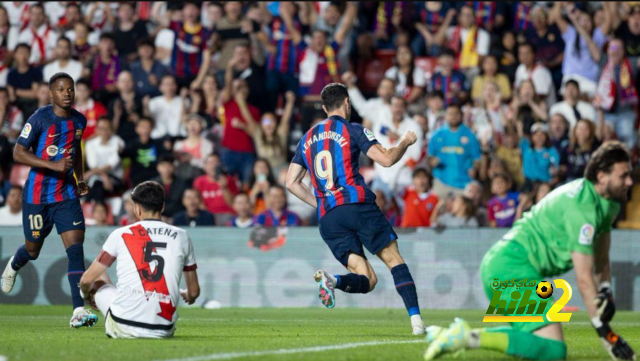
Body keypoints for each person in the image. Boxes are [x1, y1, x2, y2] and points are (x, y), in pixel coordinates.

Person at [424, 141, 636, 361]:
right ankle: (467, 336)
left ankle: (446, 334)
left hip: (515, 265)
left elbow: (601, 250)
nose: (630, 181)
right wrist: (607, 335)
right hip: (512, 267)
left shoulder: (609, 203)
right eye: (623, 175)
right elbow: (583, 279)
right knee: (553, 350)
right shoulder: (582, 209)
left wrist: (605, 288)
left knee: (536, 346)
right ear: (601, 176)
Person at [286, 83, 428, 336]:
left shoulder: (307, 138)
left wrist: (320, 203)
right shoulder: (352, 129)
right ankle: (417, 322)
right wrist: (406, 141)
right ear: (347, 103)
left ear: (324, 106)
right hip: (357, 206)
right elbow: (386, 160)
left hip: (329, 219)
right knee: (393, 260)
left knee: (368, 280)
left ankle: (333, 280)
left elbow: (291, 182)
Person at [1, 72, 96, 328]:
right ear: (52, 93)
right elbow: (18, 152)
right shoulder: (40, 118)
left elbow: (75, 152)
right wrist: (52, 165)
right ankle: (14, 263)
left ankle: (78, 310)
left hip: (66, 195)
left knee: (76, 251)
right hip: (37, 196)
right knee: (33, 250)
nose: (67, 93)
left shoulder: (79, 120)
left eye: (70, 89)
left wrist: (79, 178)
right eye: (62, 89)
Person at [79, 181, 200, 339]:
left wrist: (86, 295)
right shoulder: (182, 236)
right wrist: (189, 295)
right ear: (162, 207)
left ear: (136, 208)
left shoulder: (121, 234)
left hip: (122, 325)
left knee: (98, 276)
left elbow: (86, 280)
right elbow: (195, 292)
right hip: (164, 330)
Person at [428, 103, 481, 198]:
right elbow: (429, 157)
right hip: (441, 182)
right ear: (445, 115)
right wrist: (432, 162)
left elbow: (477, 158)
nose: (453, 116)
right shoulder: (437, 135)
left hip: (463, 183)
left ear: (461, 115)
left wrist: (475, 169)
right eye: (450, 113)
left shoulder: (470, 135)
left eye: (456, 113)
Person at [594, 38, 638, 150]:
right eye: (613, 47)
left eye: (619, 48)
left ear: (623, 51)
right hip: (605, 112)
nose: (615, 50)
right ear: (608, 50)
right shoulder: (602, 62)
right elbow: (589, 43)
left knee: (629, 141)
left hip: (626, 112)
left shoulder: (631, 63)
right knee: (603, 139)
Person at [84, 117, 124, 203]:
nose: (105, 131)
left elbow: (111, 165)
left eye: (107, 128)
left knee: (97, 184)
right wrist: (104, 176)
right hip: (97, 177)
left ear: (111, 129)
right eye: (101, 128)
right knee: (98, 184)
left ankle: (87, 208)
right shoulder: (90, 144)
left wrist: (91, 173)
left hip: (115, 177)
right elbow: (93, 165)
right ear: (96, 129)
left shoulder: (118, 142)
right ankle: (97, 211)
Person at [514, 43, 556, 107]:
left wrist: (524, 97)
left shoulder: (541, 71)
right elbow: (517, 89)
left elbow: (541, 96)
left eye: (527, 53)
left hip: (544, 109)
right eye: (521, 54)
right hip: (527, 107)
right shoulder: (520, 68)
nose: (524, 56)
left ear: (534, 54)